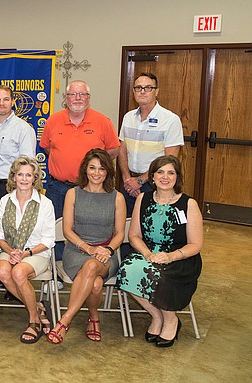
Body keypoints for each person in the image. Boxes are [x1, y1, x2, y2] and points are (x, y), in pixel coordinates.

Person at [118, 155, 203, 348]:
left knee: (159, 275)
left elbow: (195, 244)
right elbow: (134, 236)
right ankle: (157, 316)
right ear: (153, 177)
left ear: (177, 177)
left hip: (181, 257)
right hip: (149, 252)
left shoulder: (188, 204)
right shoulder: (143, 198)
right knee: (127, 270)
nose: (165, 177)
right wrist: (148, 254)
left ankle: (171, 320)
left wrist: (170, 256)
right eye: (160, 172)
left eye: (171, 172)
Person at [47, 149, 126, 344]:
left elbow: (120, 233)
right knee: (96, 283)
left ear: (108, 171)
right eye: (92, 168)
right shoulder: (73, 194)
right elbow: (67, 230)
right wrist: (88, 248)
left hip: (106, 254)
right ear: (85, 169)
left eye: (101, 168)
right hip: (76, 252)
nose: (96, 173)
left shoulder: (117, 197)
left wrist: (107, 250)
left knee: (92, 267)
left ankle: (65, 321)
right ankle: (94, 317)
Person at [40, 80, 120, 259]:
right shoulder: (53, 120)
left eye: (82, 94)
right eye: (73, 94)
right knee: (56, 230)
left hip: (91, 190)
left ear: (89, 97)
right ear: (66, 98)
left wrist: (94, 170)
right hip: (58, 187)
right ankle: (57, 270)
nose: (77, 98)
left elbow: (113, 150)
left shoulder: (102, 121)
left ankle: (89, 265)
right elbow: (47, 148)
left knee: (91, 229)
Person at [0, 156, 55, 343]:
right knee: (2, 271)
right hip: (11, 249)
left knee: (19, 272)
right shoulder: (5, 201)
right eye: (20, 174)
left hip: (36, 252)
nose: (24, 179)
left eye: (29, 175)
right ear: (13, 177)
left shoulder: (45, 204)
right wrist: (11, 251)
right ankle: (37, 307)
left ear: (35, 179)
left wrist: (25, 254)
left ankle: (33, 320)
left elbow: (48, 240)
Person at [0, 86, 36, 271]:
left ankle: (12, 275)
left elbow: (27, 164)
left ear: (13, 102)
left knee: (10, 232)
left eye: (6, 99)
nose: (1, 103)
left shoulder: (23, 129)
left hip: (10, 187)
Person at [118, 72, 184, 217]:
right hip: (128, 184)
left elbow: (170, 160)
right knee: (128, 227)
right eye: (138, 88)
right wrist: (127, 178)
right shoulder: (128, 117)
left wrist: (140, 181)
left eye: (148, 88)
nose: (142, 92)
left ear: (156, 91)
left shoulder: (170, 120)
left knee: (151, 227)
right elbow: (122, 149)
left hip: (155, 184)